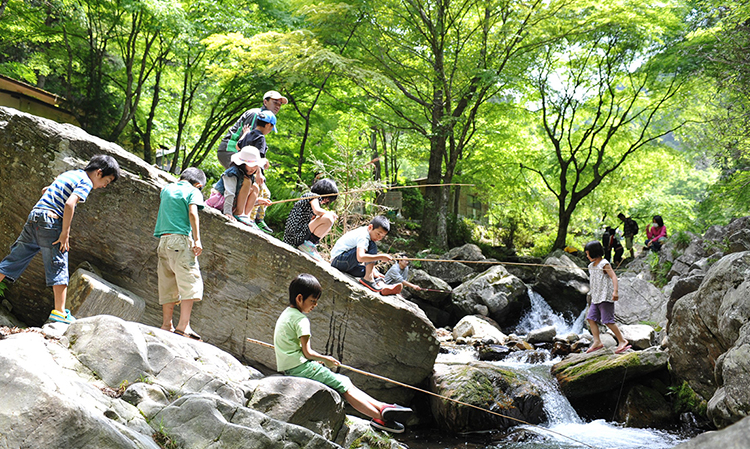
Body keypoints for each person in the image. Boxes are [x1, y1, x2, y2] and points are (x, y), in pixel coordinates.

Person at [274, 273, 412, 433]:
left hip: (293, 367)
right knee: (343, 386)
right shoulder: (301, 320)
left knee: (344, 380)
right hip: (300, 368)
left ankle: (382, 407)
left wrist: (314, 361)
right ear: (299, 298)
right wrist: (326, 359)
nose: (315, 305)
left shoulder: (286, 314)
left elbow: (294, 349)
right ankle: (379, 418)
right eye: (313, 301)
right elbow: (307, 352)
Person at [0, 155, 120, 324]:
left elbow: (45, 190)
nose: (103, 186)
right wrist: (65, 233)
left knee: (14, 259)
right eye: (106, 181)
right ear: (99, 173)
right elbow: (70, 204)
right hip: (51, 222)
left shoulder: (69, 174)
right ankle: (60, 312)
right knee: (58, 264)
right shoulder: (86, 182)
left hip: (35, 216)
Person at [154, 167, 207, 341]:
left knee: (168, 282)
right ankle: (183, 326)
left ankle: (166, 324)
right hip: (180, 240)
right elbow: (193, 213)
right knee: (189, 281)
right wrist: (197, 239)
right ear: (198, 184)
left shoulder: (167, 188)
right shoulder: (193, 191)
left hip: (163, 241)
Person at [330, 216, 401, 295]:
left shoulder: (367, 233)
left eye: (382, 236)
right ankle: (368, 279)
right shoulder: (364, 236)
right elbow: (360, 257)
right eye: (378, 234)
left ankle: (383, 286)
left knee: (370, 271)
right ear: (370, 227)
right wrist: (380, 257)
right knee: (372, 246)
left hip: (346, 264)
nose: (379, 238)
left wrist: (373, 271)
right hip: (338, 261)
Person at [216, 90, 287, 169]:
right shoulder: (255, 114)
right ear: (265, 102)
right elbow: (248, 144)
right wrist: (259, 168)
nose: (278, 106)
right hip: (230, 149)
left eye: (280, 104)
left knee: (246, 177)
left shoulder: (267, 119)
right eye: (275, 102)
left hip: (239, 151)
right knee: (245, 177)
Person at [205, 146, 271, 230]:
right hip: (223, 201)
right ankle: (239, 214)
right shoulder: (232, 173)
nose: (253, 168)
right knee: (247, 182)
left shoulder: (249, 176)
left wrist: (258, 201)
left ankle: (246, 216)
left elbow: (242, 198)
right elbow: (230, 193)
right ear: (242, 163)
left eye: (256, 166)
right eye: (251, 165)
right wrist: (227, 212)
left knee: (255, 187)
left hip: (233, 203)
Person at [583, 241, 630, 354]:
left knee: (608, 321)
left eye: (588, 254)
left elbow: (613, 276)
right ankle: (597, 341)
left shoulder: (604, 264)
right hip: (596, 297)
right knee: (591, 319)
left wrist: (615, 291)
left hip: (605, 297)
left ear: (594, 253)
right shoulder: (591, 266)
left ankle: (622, 341)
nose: (587, 256)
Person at [236, 110, 276, 233]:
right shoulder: (261, 138)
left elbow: (238, 146)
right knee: (261, 192)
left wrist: (245, 133)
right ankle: (253, 219)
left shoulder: (250, 134)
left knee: (257, 192)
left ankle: (249, 217)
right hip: (252, 170)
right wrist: (259, 173)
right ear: (269, 125)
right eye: (272, 128)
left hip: (242, 167)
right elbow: (258, 157)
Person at [283, 178, 339, 262]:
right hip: (296, 236)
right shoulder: (313, 196)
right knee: (328, 218)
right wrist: (330, 213)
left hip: (295, 236)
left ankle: (310, 245)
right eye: (327, 199)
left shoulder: (309, 198)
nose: (326, 201)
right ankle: (308, 245)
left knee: (328, 222)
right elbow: (317, 211)